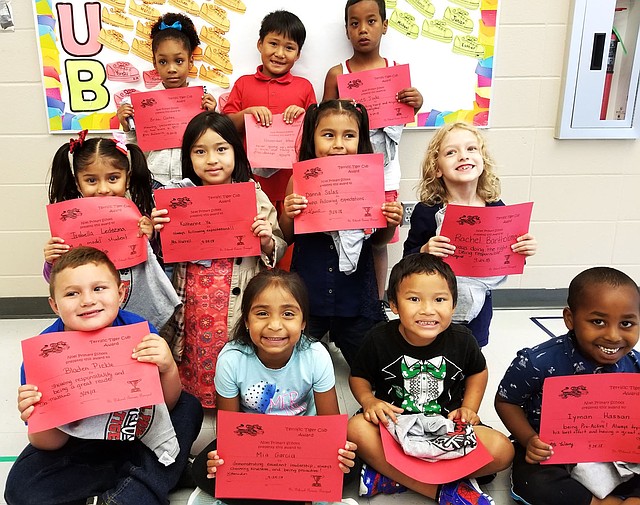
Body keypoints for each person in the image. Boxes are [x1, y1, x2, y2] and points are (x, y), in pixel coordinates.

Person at [4, 246, 203, 505]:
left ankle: (132, 489)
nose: (87, 300)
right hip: (80, 446)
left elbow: (167, 405)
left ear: (120, 293)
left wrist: (167, 368)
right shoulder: (43, 353)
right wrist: (42, 417)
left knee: (189, 407)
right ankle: (149, 480)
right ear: (55, 305)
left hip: (137, 434)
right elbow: (49, 444)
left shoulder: (139, 331)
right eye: (72, 293)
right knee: (20, 488)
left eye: (99, 288)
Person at [348, 253, 514, 503]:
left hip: (445, 431)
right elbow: (358, 376)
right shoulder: (378, 338)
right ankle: (445, 490)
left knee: (503, 450)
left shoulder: (463, 339)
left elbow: (478, 372)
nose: (427, 309)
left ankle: (390, 476)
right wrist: (369, 401)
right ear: (393, 304)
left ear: (453, 305)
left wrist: (469, 408)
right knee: (355, 429)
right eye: (414, 299)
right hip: (395, 428)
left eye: (439, 299)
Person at [186, 269, 358, 504]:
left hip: (304, 446)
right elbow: (229, 429)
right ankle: (296, 496)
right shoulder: (231, 358)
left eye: (288, 314)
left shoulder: (316, 355)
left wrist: (339, 453)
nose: (275, 325)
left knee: (351, 467)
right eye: (262, 313)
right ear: (246, 320)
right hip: (253, 448)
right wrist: (224, 459)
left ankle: (275, 494)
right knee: (203, 469)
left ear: (303, 321)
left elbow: (329, 427)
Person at [152, 111, 287, 408]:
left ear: (236, 153)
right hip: (194, 295)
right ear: (189, 158)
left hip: (236, 292)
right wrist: (158, 231)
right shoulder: (177, 198)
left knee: (234, 343)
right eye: (200, 151)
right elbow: (160, 258)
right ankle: (198, 400)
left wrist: (266, 239)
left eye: (221, 149)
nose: (212, 159)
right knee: (197, 343)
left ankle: (234, 399)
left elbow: (276, 244)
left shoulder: (252, 194)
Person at [495, 266, 640, 505]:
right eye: (598, 321)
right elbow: (506, 401)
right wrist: (529, 440)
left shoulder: (636, 364)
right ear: (570, 319)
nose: (614, 336)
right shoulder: (537, 361)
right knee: (536, 483)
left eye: (626, 324)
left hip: (615, 451)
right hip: (552, 451)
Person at [279, 99, 403, 366]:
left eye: (349, 135)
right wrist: (288, 213)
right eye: (328, 135)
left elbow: (378, 242)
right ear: (313, 139)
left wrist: (390, 222)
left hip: (355, 298)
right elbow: (287, 236)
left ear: (361, 139)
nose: (338, 144)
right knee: (291, 364)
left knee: (373, 368)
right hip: (309, 296)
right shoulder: (298, 180)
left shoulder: (372, 181)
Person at [323, 0, 424, 309]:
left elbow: (405, 113)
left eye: (370, 21)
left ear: (384, 25)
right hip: (344, 173)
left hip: (385, 171)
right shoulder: (337, 73)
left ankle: (376, 302)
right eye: (354, 24)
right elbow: (322, 121)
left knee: (379, 238)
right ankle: (336, 302)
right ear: (346, 30)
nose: (362, 30)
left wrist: (416, 102)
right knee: (338, 234)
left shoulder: (395, 73)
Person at [403, 122, 537, 347]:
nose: (463, 156)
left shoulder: (496, 208)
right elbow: (407, 260)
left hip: (480, 304)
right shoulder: (427, 210)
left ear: (483, 161)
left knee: (471, 349)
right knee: (432, 349)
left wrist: (524, 248)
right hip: (434, 304)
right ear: (437, 168)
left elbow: (506, 254)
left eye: (471, 149)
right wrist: (425, 251)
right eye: (451, 152)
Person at [43, 131, 181, 332]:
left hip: (134, 311)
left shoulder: (139, 217)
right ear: (77, 182)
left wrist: (152, 237)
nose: (103, 188)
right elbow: (55, 279)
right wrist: (50, 260)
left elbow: (156, 265)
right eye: (91, 180)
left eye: (113, 178)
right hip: (88, 311)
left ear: (127, 179)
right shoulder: (70, 224)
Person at [222, 10, 316, 207]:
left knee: (289, 235)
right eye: (273, 44)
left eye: (289, 47)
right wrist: (245, 114)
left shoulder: (304, 86)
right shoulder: (243, 84)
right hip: (249, 182)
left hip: (292, 185)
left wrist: (304, 117)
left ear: (298, 54)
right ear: (260, 44)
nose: (279, 54)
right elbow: (225, 128)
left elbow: (317, 132)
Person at [117, 12, 217, 186]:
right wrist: (127, 128)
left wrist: (212, 116)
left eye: (179, 61)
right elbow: (133, 152)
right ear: (155, 63)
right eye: (163, 62)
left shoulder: (203, 100)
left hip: (193, 179)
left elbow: (213, 144)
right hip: (153, 179)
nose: (171, 69)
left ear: (190, 61)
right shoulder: (140, 104)